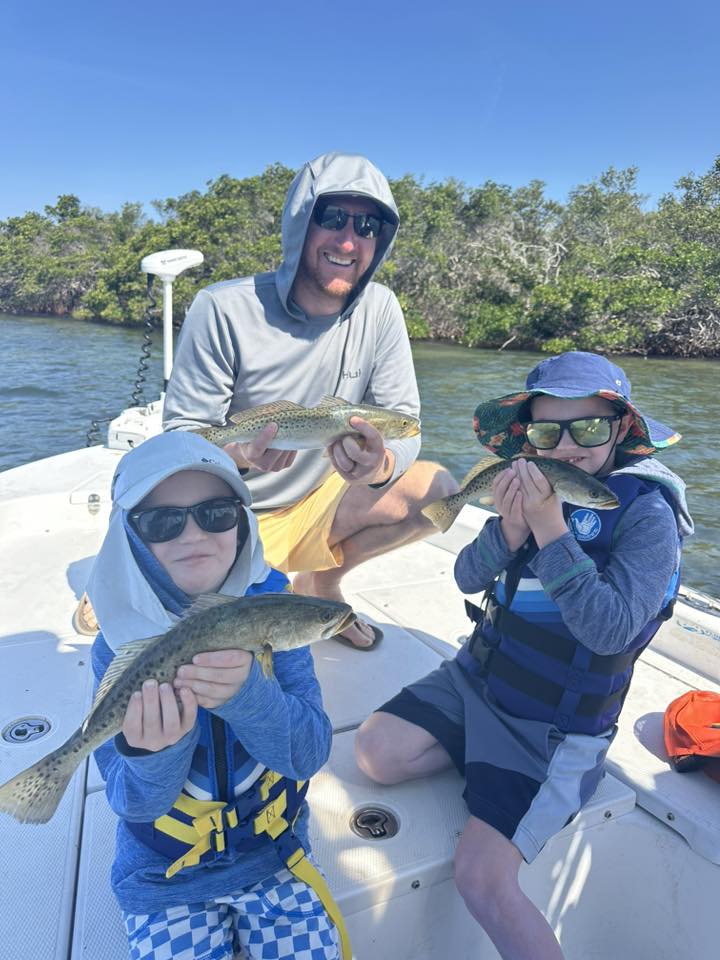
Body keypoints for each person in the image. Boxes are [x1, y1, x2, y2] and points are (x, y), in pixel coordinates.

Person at [355, 351, 694, 960]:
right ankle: (486, 770)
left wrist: (550, 530)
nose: (566, 447)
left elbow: (609, 631)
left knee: (481, 880)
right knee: (375, 752)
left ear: (620, 429)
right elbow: (465, 575)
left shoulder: (646, 515)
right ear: (527, 438)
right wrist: (509, 530)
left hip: (551, 726)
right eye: (546, 432)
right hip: (476, 681)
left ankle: (517, 784)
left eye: (587, 428)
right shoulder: (519, 488)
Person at [161, 151, 458, 650]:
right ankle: (142, 574)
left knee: (439, 493)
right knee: (187, 640)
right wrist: (239, 458)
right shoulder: (221, 308)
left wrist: (378, 466)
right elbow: (180, 439)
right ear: (301, 222)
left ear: (379, 240)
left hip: (317, 503)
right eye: (332, 218)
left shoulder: (382, 308)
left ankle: (319, 581)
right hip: (226, 515)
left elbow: (406, 423)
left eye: (366, 226)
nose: (348, 240)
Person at [86, 431, 348, 960]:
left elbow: (308, 754)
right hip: (164, 880)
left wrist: (251, 694)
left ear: (242, 520)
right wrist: (157, 750)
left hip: (275, 855)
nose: (193, 534)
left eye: (216, 513)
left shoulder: (277, 611)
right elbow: (133, 803)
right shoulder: (117, 644)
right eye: (162, 522)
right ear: (129, 537)